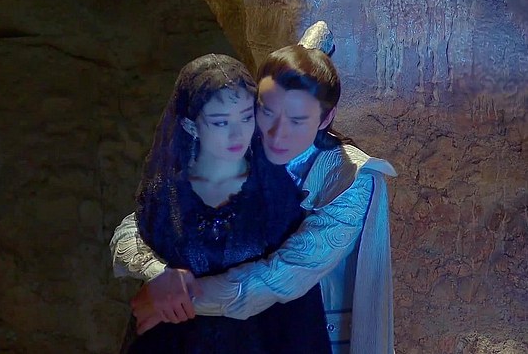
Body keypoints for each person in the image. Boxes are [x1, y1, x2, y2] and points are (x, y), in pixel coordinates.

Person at [111, 25, 397, 354]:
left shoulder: (349, 178)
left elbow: (281, 276)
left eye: (297, 120)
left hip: (297, 333)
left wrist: (169, 301)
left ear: (325, 118)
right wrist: (159, 275)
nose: (276, 133)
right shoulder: (240, 141)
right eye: (267, 112)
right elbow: (142, 222)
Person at [119, 53, 332, 353]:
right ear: (190, 125)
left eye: (246, 117)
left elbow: (289, 283)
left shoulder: (276, 187)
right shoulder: (167, 193)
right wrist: (159, 274)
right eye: (220, 122)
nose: (238, 134)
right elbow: (133, 237)